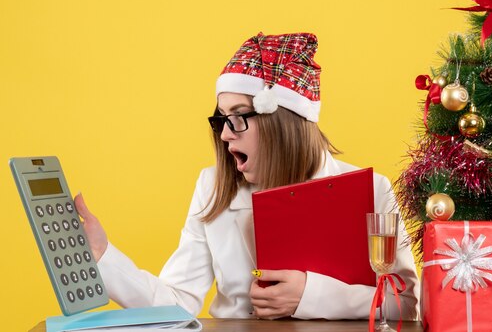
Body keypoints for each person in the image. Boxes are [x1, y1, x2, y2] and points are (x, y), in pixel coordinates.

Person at [75, 32, 419, 320]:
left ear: (282, 120)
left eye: (238, 116)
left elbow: (404, 304)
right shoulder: (212, 188)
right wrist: (102, 255)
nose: (225, 134)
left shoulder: (372, 190)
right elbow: (177, 305)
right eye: (221, 119)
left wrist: (311, 295)